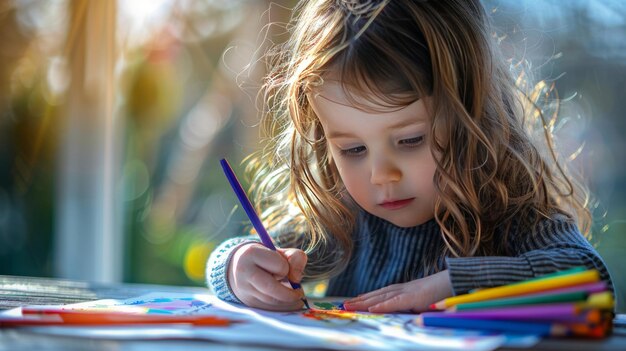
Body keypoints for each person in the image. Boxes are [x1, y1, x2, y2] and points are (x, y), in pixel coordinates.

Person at [206, 0, 613, 313]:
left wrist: (457, 286)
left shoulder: (507, 210)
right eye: (353, 149)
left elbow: (592, 280)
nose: (381, 175)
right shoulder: (341, 218)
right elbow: (244, 258)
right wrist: (237, 266)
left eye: (410, 140)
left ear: (470, 116)